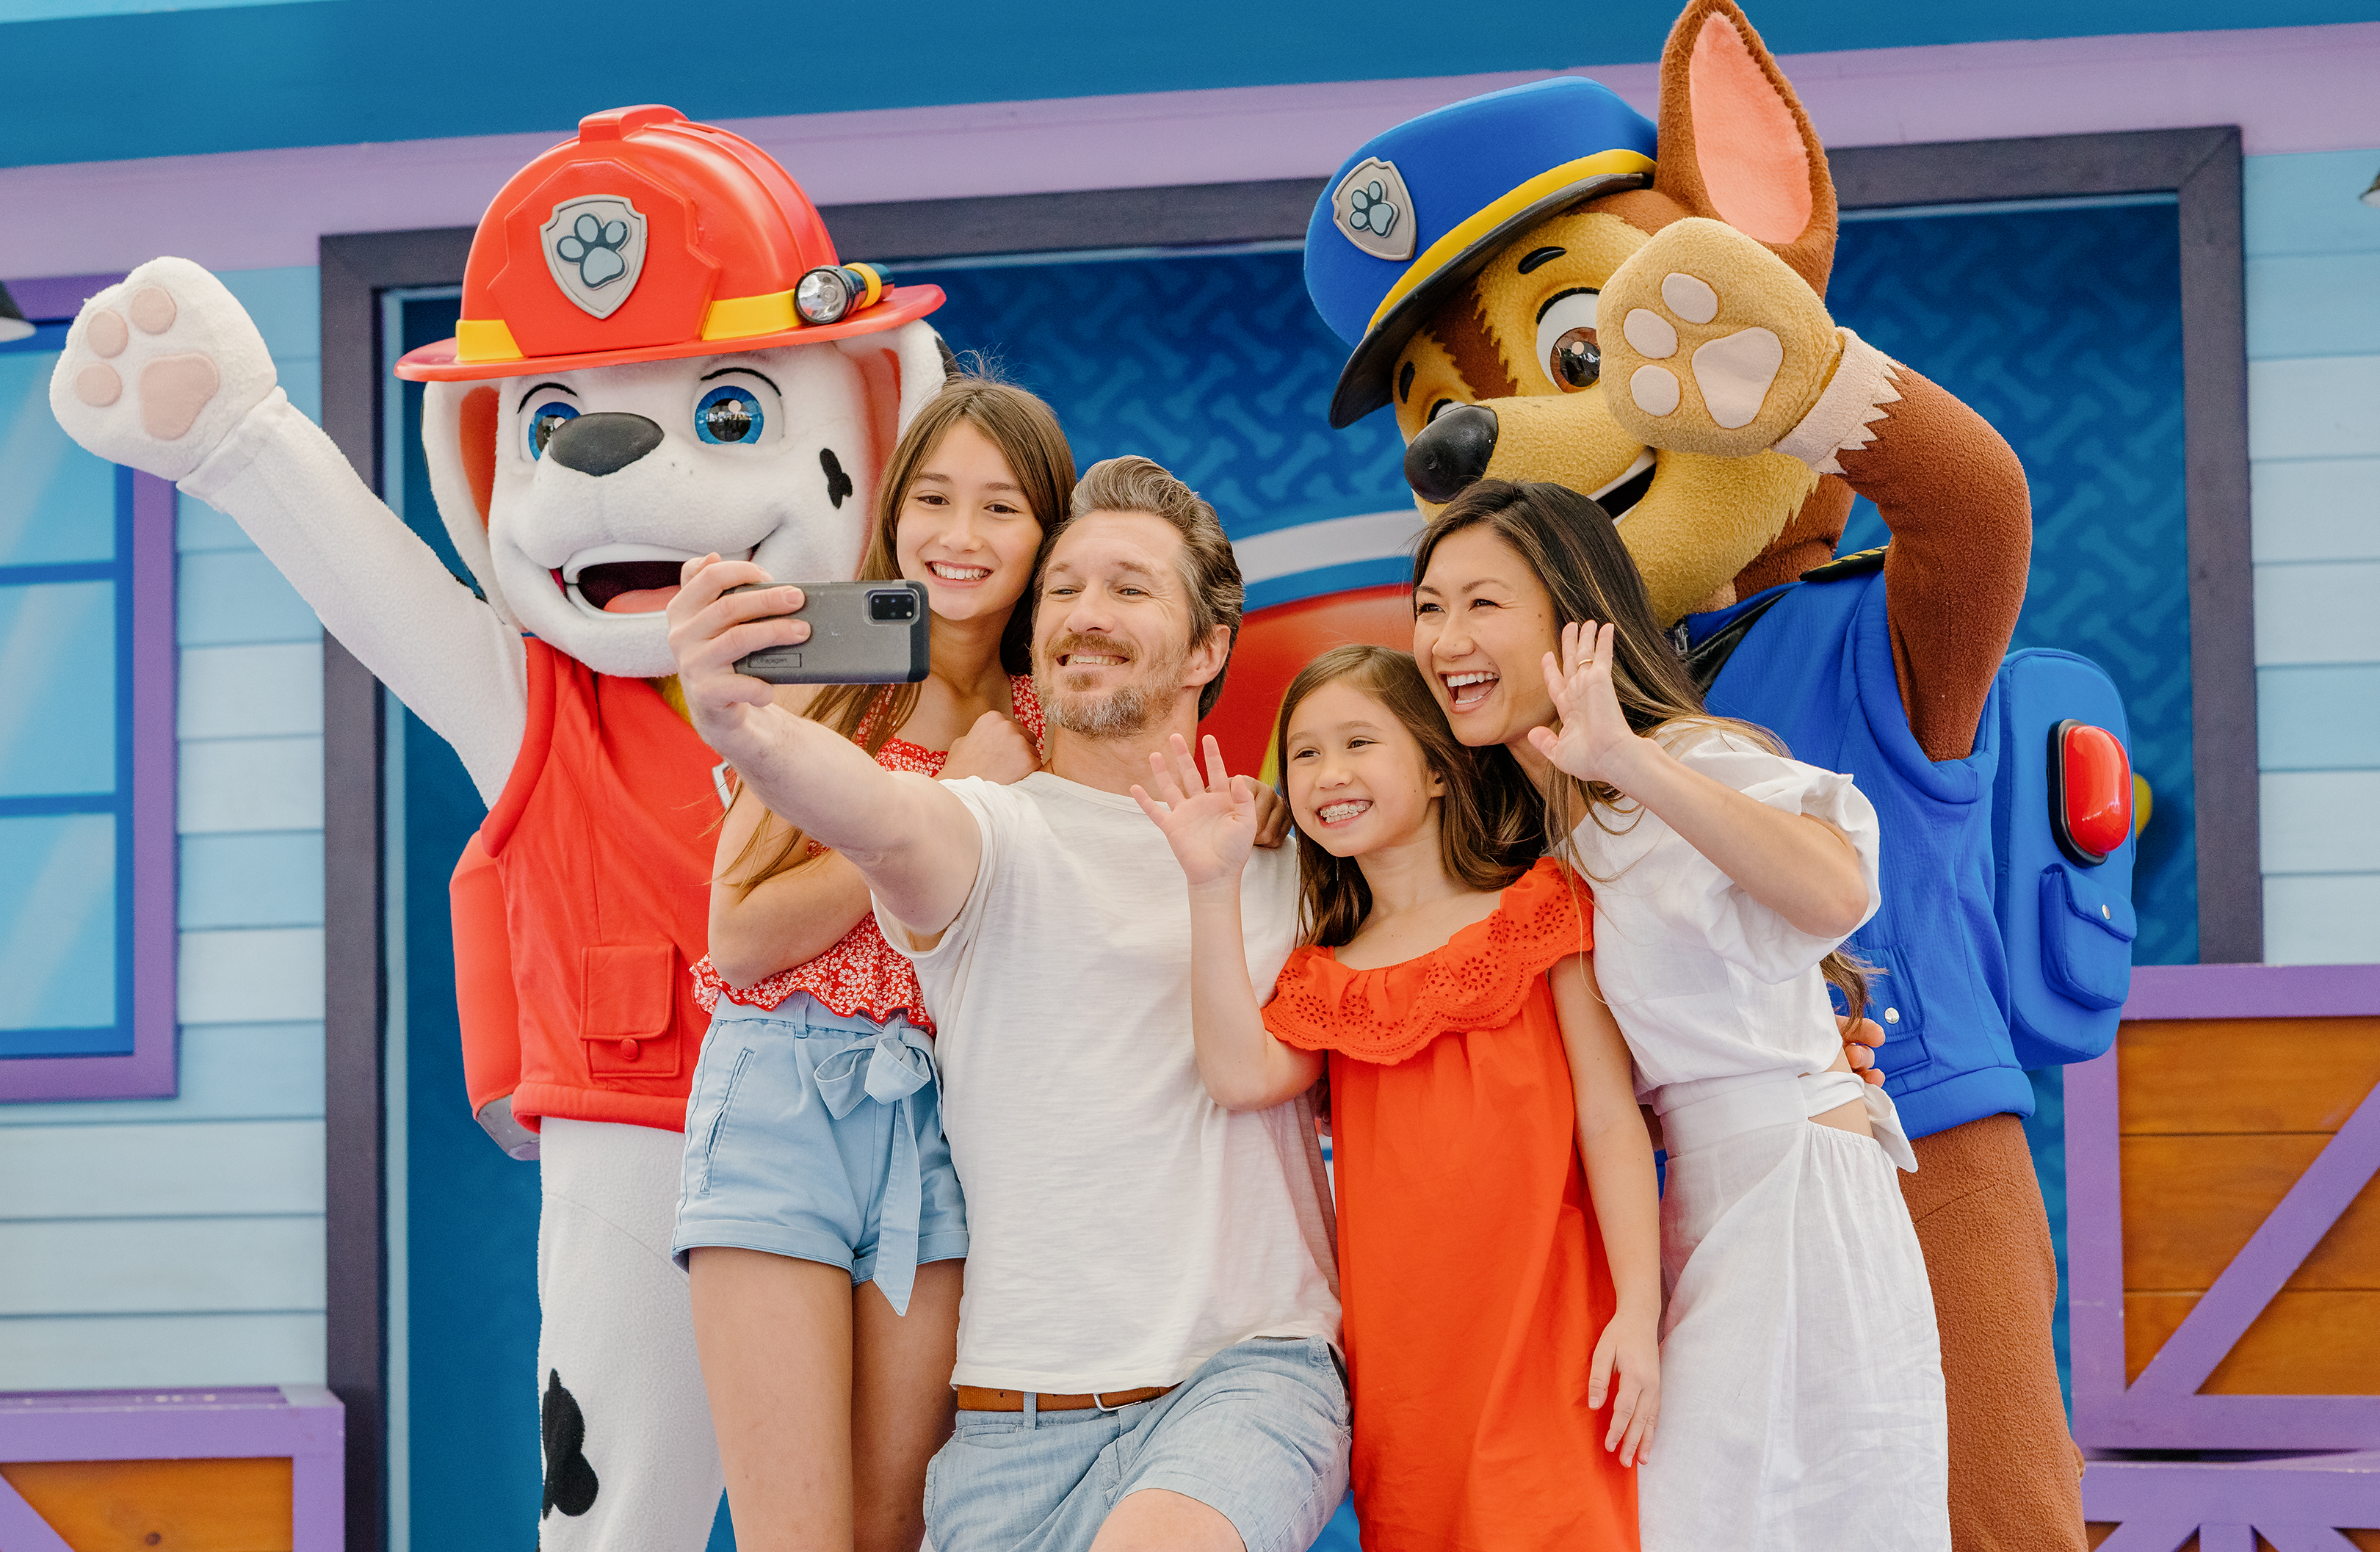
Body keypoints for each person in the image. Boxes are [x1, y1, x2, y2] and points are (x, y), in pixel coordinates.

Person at [669, 454, 1348, 1552]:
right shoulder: (987, 829)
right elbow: (880, 814)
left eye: (1129, 587)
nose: (1085, 612)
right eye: (1064, 588)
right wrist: (743, 722)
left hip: (1249, 1374)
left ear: (1208, 648)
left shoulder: (1301, 852)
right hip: (1005, 1434)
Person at [1408, 479, 1948, 1552]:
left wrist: (1628, 758)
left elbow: (1836, 889)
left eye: (1483, 603)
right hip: (1691, 1206)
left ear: (1575, 619)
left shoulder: (1685, 760)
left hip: (1792, 1196)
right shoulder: (1531, 836)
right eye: (1428, 606)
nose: (1445, 638)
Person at [1132, 643, 1660, 1551]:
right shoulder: (1325, 974)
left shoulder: (1543, 906)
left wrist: (1639, 1312)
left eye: (1358, 743)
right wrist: (1211, 887)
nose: (1328, 774)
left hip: (1552, 1332)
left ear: (1440, 767)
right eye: (1304, 753)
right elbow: (1238, 1075)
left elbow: (1612, 1122)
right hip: (1408, 1365)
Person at [676, 376, 1072, 1552]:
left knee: (893, 1529)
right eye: (933, 498)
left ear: (1047, 533)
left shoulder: (1052, 714)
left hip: (949, 1122)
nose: (960, 534)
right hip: (782, 1099)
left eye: (1001, 506)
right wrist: (938, 807)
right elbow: (742, 934)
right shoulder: (831, 672)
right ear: (892, 511)